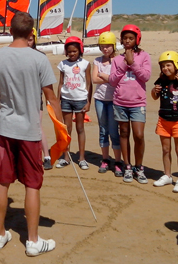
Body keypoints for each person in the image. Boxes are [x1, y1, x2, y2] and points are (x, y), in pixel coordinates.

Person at [0, 11, 62, 257]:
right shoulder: (38, 59)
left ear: (10, 31)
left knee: (2, 180)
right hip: (28, 131)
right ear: (31, 34)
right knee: (32, 185)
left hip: (6, 128)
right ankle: (33, 241)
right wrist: (62, 130)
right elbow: (51, 98)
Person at [108, 25, 151, 183]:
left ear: (137, 40)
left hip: (137, 103)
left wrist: (133, 63)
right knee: (124, 133)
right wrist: (124, 64)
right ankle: (127, 166)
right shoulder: (118, 59)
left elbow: (146, 76)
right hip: (120, 102)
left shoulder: (144, 56)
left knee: (139, 135)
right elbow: (112, 80)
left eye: (131, 38)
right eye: (125, 38)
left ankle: (139, 168)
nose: (127, 41)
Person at [150, 51, 178, 193]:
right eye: (163, 66)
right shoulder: (161, 80)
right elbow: (155, 97)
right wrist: (154, 91)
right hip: (163, 120)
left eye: (168, 65)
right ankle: (167, 175)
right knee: (165, 149)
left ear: (176, 65)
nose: (165, 68)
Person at [56, 36, 93, 169]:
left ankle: (82, 158)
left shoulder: (86, 64)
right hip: (66, 99)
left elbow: (89, 84)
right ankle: (66, 157)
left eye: (75, 51)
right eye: (69, 51)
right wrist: (57, 101)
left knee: (80, 128)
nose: (72, 54)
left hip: (80, 100)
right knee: (67, 129)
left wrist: (88, 101)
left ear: (80, 51)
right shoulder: (63, 64)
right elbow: (60, 83)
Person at [91, 31, 122, 175]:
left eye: (108, 46)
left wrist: (105, 76)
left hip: (115, 100)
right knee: (103, 130)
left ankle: (117, 161)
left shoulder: (118, 60)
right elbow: (94, 79)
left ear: (113, 46)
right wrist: (110, 78)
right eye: (103, 46)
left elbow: (119, 79)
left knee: (114, 131)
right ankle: (105, 159)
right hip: (100, 99)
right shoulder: (97, 61)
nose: (105, 49)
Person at [28, 28, 52, 170]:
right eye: (27, 39)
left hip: (36, 98)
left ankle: (47, 156)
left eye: (31, 39)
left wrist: (49, 98)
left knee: (37, 126)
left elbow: (46, 81)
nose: (29, 42)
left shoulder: (40, 56)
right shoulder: (18, 55)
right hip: (21, 98)